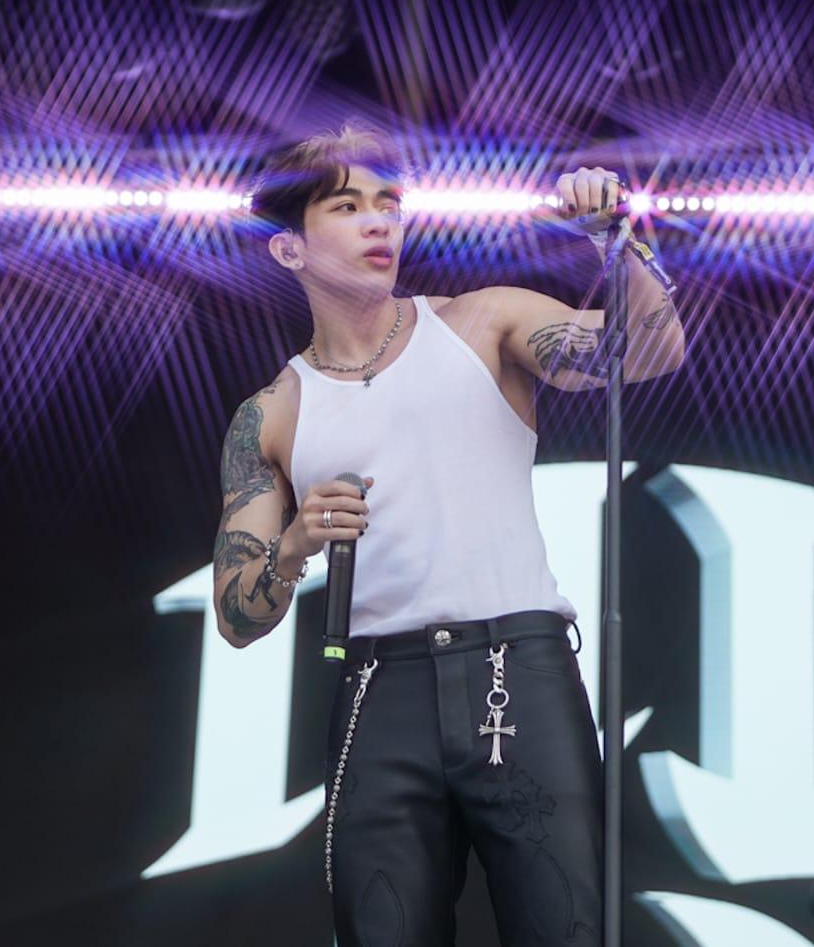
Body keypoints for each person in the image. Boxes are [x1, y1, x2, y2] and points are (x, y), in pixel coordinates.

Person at [211, 123, 685, 945]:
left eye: (388, 203)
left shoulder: (481, 322)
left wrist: (620, 243)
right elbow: (235, 616)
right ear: (290, 248)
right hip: (379, 689)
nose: (378, 221)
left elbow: (651, 351)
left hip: (517, 669)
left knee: (567, 926)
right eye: (347, 206)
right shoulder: (272, 412)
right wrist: (293, 545)